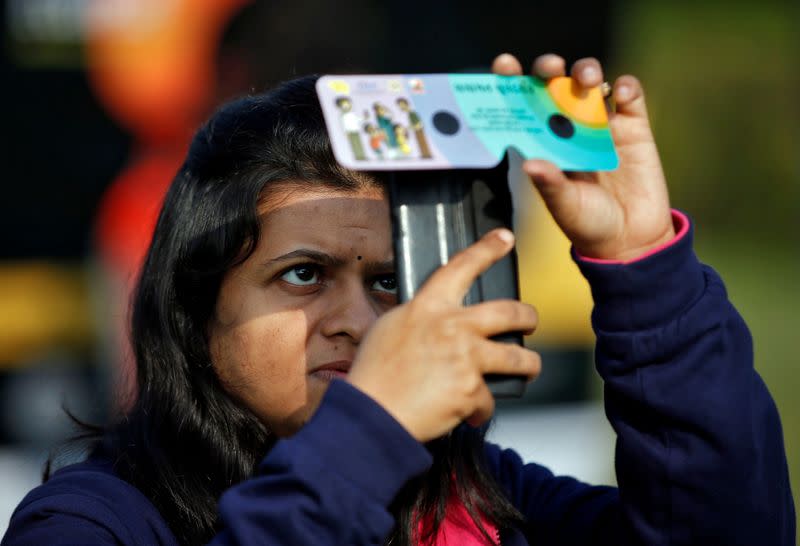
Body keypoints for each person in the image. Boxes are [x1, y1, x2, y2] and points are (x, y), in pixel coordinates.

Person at [2, 53, 795, 546]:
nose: (359, 321)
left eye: (390, 282)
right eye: (304, 275)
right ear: (195, 310)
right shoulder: (90, 521)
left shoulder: (485, 497)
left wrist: (641, 265)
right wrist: (369, 434)